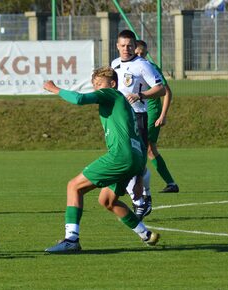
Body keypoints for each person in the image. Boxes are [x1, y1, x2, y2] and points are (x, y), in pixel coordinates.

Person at [43, 66, 160, 253]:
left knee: (74, 186)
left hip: (120, 157)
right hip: (135, 159)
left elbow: (79, 99)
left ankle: (71, 239)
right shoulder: (124, 106)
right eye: (94, 84)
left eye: (100, 84)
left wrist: (54, 88)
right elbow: (138, 139)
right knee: (108, 201)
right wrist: (138, 176)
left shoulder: (111, 94)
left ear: (112, 84)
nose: (97, 88)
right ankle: (146, 234)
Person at [111, 29, 166, 220]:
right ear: (117, 46)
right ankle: (143, 198)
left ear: (135, 47)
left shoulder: (142, 65)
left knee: (137, 161)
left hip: (138, 118)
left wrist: (140, 95)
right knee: (125, 159)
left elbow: (160, 89)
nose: (126, 49)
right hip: (119, 119)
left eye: (130, 46)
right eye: (123, 45)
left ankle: (142, 200)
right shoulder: (115, 64)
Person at [135, 40, 179, 193]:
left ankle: (138, 185)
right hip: (138, 112)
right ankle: (170, 184)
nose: (140, 56)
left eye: (143, 53)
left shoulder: (151, 67)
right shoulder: (130, 68)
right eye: (137, 53)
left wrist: (163, 115)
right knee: (147, 149)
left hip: (151, 113)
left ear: (147, 53)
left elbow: (167, 92)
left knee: (146, 148)